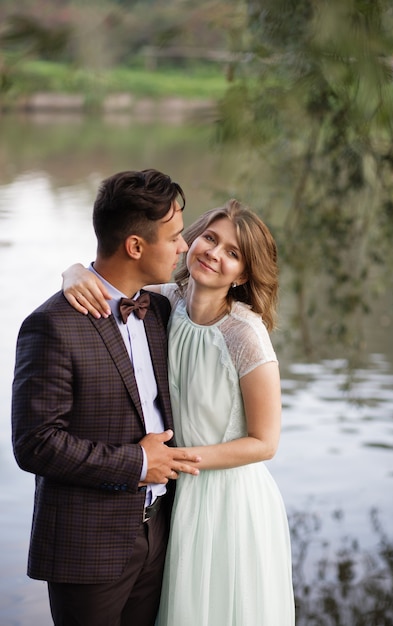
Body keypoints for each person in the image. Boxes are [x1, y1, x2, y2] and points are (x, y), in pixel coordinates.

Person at [62, 198, 295, 625]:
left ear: (243, 273)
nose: (214, 253)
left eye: (233, 252)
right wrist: (73, 272)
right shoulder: (166, 301)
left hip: (229, 499)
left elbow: (266, 443)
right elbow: (113, 278)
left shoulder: (245, 333)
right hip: (178, 496)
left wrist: (174, 461)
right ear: (191, 239)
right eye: (210, 237)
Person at [11, 168, 202, 626]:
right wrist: (137, 464)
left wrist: (74, 268)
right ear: (135, 246)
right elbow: (35, 443)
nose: (184, 247)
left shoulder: (159, 307)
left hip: (161, 530)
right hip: (87, 543)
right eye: (175, 237)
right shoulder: (52, 325)